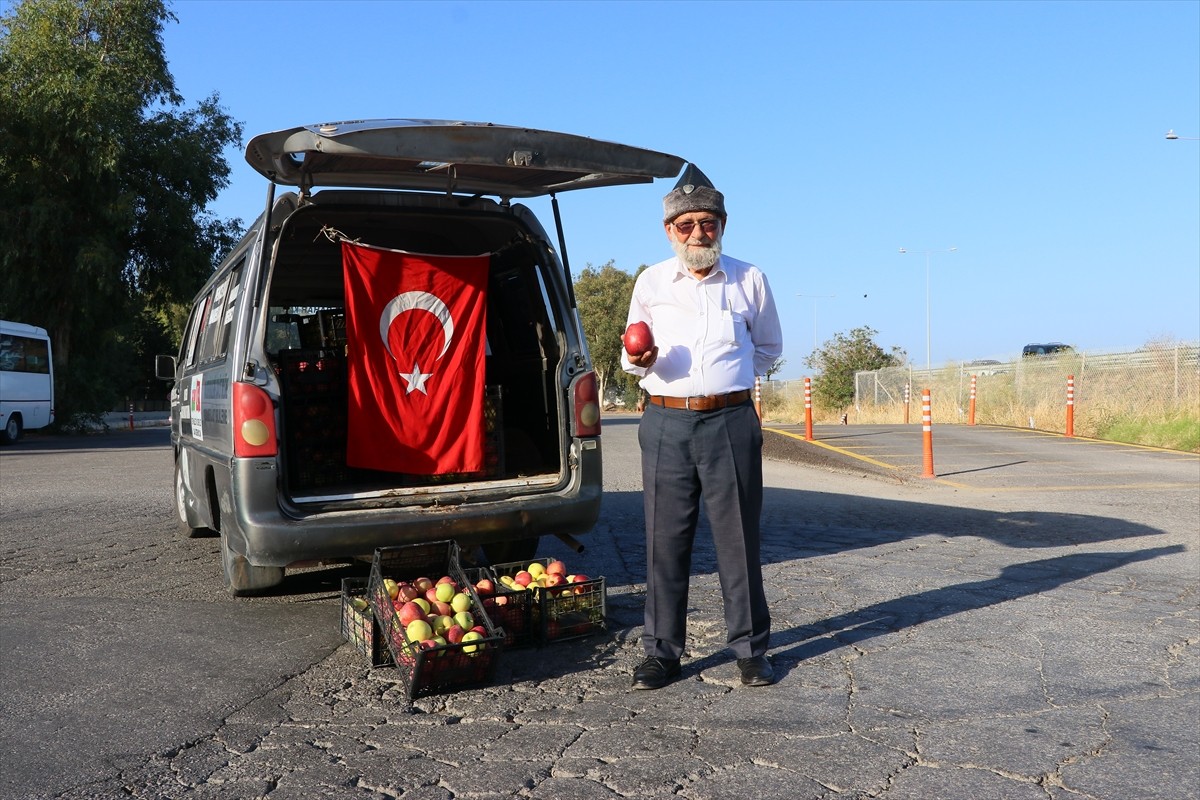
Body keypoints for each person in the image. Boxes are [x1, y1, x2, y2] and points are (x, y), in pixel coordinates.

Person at [621, 165, 783, 690]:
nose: (697, 233)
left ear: (722, 225)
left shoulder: (749, 278)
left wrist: (726, 381)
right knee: (664, 540)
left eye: (707, 223)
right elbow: (632, 358)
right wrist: (642, 360)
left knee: (738, 538)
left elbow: (769, 348)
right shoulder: (651, 282)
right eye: (686, 224)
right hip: (665, 421)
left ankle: (752, 651)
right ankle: (661, 653)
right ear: (669, 231)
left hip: (731, 420)